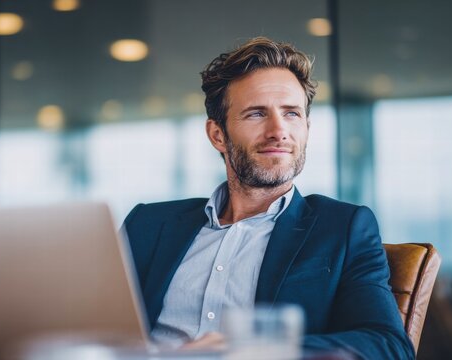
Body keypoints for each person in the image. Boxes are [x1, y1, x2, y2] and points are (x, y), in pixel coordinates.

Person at [121, 37, 415, 359]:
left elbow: (389, 346)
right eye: (257, 114)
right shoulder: (146, 224)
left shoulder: (344, 229)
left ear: (306, 127)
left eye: (291, 114)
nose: (279, 130)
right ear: (218, 135)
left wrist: (251, 348)